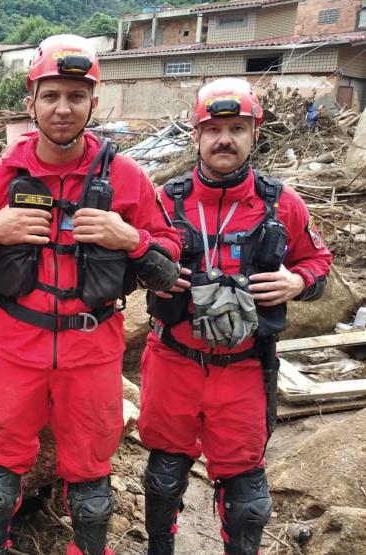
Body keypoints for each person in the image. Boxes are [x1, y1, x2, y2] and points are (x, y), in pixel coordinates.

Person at [0, 34, 182, 555]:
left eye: (76, 95)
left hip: (94, 350)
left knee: (93, 480)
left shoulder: (126, 177)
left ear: (94, 102)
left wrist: (131, 239)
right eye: (51, 95)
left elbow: (168, 267)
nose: (62, 107)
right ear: (31, 101)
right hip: (14, 346)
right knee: (0, 473)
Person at [139, 78, 333, 555]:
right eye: (213, 129)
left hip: (245, 366)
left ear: (255, 132)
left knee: (247, 498)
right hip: (173, 357)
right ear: (196, 135)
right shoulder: (167, 200)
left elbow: (319, 264)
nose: (224, 139)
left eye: (237, 128)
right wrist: (151, 274)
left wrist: (297, 282)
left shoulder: (280, 203)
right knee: (164, 476)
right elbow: (131, 260)